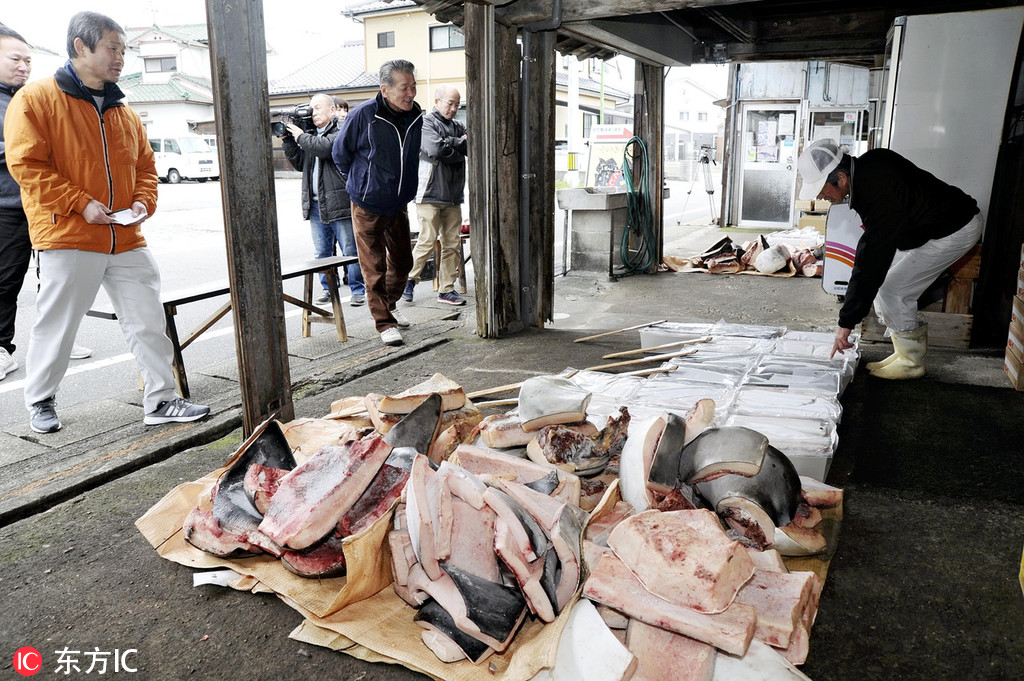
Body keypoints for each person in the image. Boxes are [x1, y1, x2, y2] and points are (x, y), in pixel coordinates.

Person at [4, 11, 209, 432]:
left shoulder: (123, 110)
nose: (120, 57)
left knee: (148, 319)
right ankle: (40, 399)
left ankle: (162, 399)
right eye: (112, 48)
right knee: (58, 324)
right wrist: (81, 203)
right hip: (68, 232)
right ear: (81, 47)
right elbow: (25, 165)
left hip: (125, 234)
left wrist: (142, 203)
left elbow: (146, 168)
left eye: (122, 49)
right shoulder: (37, 98)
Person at [798, 138, 983, 379]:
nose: (821, 196)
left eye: (822, 189)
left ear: (841, 178)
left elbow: (870, 262)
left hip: (956, 229)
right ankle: (903, 351)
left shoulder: (876, 190)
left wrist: (845, 323)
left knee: (893, 290)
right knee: (884, 286)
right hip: (928, 228)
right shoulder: (868, 168)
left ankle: (911, 361)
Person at [1, 27, 92, 384]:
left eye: (28, 60)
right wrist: (28, 148)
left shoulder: (33, 97)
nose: (24, 66)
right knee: (5, 281)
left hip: (47, 203)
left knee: (56, 279)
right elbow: (24, 153)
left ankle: (58, 343)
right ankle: (2, 349)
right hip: (7, 206)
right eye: (15, 59)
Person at [332, 60, 422, 347]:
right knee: (374, 266)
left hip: (398, 203)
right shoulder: (363, 115)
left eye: (413, 86)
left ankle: (390, 305)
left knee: (403, 261)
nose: (411, 93)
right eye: (404, 88)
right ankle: (384, 323)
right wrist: (360, 184)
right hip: (367, 204)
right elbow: (340, 154)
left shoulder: (415, 115)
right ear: (385, 89)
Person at [279, 93, 364, 306]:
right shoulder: (309, 135)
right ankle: (328, 289)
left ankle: (358, 289)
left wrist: (300, 137)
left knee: (350, 249)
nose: (312, 112)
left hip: (339, 201)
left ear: (333, 110)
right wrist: (288, 141)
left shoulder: (341, 129)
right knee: (322, 252)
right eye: (311, 108)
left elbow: (325, 148)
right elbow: (301, 164)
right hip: (315, 204)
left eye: (317, 108)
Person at [403, 85, 468, 306]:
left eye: (457, 104)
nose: (453, 108)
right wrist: (457, 148)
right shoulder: (426, 122)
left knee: (452, 243)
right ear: (437, 101)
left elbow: (470, 145)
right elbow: (435, 149)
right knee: (427, 240)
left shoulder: (458, 125)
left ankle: (446, 289)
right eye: (449, 103)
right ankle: (409, 279)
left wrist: (451, 144)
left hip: (453, 194)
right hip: (429, 191)